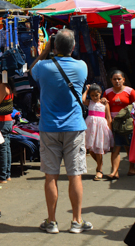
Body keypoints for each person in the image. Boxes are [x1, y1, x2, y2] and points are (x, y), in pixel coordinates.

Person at [30, 29, 92, 234]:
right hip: (74, 127)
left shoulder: (43, 67)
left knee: (51, 176)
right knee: (75, 175)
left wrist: (45, 51)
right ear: (73, 47)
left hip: (49, 127)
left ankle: (52, 221)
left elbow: (31, 70)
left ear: (54, 46)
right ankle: (76, 221)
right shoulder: (82, 66)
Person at [104, 69, 135, 179]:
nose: (117, 81)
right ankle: (114, 172)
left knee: (128, 146)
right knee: (116, 147)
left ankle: (132, 168)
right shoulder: (107, 92)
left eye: (119, 79)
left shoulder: (130, 91)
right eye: (114, 79)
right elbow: (103, 106)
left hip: (127, 124)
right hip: (114, 124)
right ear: (111, 80)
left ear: (123, 79)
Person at [82, 83, 112, 181]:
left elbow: (108, 117)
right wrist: (86, 90)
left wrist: (109, 129)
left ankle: (99, 169)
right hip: (90, 127)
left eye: (97, 95)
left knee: (98, 148)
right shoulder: (89, 102)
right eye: (92, 95)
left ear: (100, 93)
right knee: (90, 148)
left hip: (101, 127)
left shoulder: (104, 103)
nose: (95, 97)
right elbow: (82, 100)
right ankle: (100, 164)